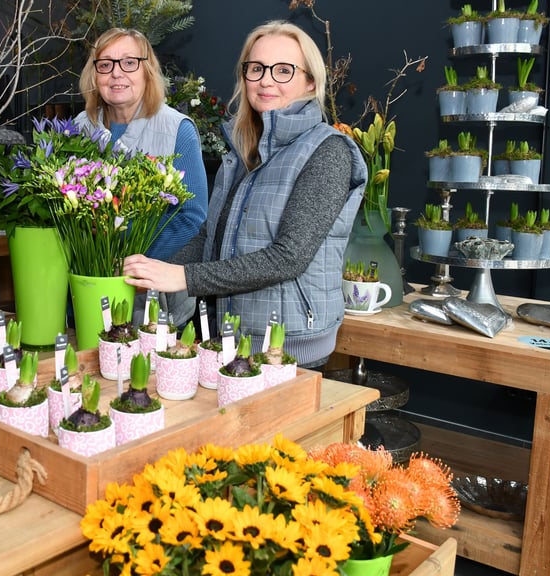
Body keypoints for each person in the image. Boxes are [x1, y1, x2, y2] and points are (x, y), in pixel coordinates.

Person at [121, 20, 367, 369]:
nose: (266, 80)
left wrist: (183, 278)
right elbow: (209, 237)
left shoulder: (327, 151)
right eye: (257, 68)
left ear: (311, 82)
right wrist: (156, 271)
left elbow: (288, 257)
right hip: (229, 339)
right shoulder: (242, 152)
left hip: (288, 347)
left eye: (284, 70)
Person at [75, 27, 209, 325]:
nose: (116, 73)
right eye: (105, 64)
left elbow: (192, 218)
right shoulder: (79, 128)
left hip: (157, 299)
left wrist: (130, 260)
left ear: (147, 71)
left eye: (129, 62)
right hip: (88, 291)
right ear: (94, 75)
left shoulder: (177, 129)